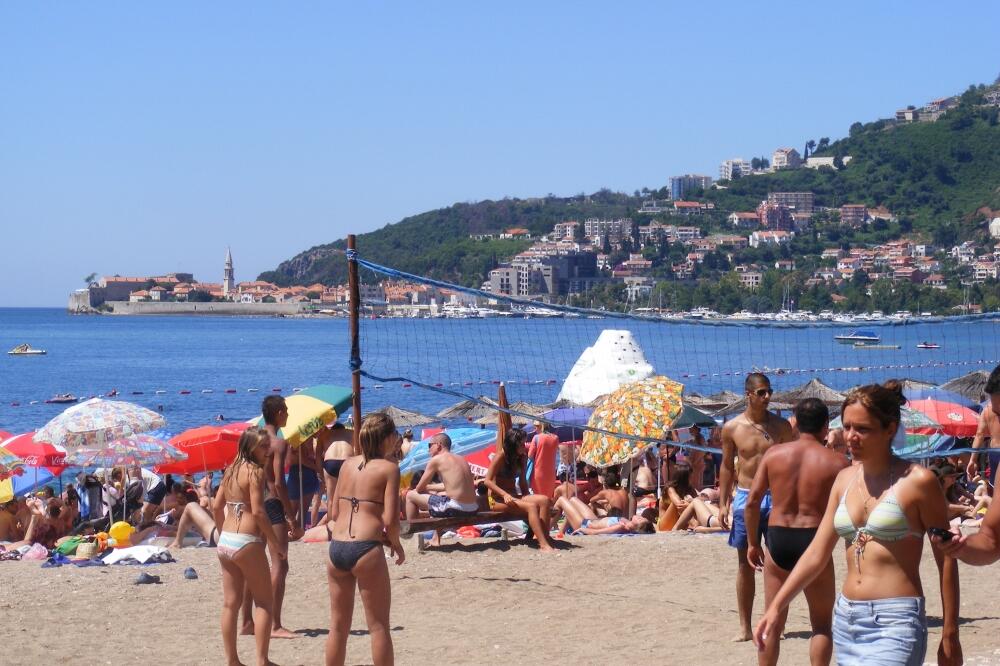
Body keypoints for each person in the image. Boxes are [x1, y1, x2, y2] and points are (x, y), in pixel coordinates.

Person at [754, 381, 961, 666]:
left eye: (862, 429)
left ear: (890, 429)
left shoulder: (919, 481)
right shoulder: (844, 479)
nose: (851, 436)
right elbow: (817, 553)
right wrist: (776, 606)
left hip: (896, 621)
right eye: (847, 426)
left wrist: (950, 631)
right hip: (847, 619)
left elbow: (946, 559)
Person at [743, 398, 850, 666]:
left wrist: (753, 543)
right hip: (814, 540)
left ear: (796, 424)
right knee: (821, 625)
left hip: (779, 537)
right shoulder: (838, 462)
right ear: (826, 426)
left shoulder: (774, 454)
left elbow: (752, 502)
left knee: (773, 620)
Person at [719, 373, 795, 642]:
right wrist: (722, 503)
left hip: (776, 496)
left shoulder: (782, 426)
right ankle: (745, 627)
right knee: (745, 563)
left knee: (778, 563)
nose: (767, 397)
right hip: (745, 496)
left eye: (769, 391)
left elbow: (792, 464)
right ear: (748, 394)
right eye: (762, 392)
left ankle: (777, 624)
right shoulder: (732, 428)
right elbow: (726, 466)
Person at [326, 412, 405, 666]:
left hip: (337, 548)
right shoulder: (389, 468)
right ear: (388, 438)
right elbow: (390, 519)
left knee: (338, 626)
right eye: (395, 434)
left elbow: (334, 513)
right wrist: (395, 544)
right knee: (379, 627)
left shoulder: (347, 464)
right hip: (366, 548)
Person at [213, 426, 285, 666]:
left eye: (268, 446)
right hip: (246, 540)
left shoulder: (230, 469)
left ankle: (232, 660)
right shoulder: (255, 471)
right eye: (263, 447)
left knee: (230, 604)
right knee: (264, 602)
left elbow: (216, 506)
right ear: (250, 447)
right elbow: (259, 512)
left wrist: (222, 531)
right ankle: (262, 660)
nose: (268, 451)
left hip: (226, 540)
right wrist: (275, 543)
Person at [241, 395, 302, 640]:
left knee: (253, 565)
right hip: (272, 504)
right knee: (280, 563)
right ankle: (275, 624)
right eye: (285, 410)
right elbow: (278, 484)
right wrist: (292, 517)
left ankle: (247, 621)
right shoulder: (278, 443)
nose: (287, 414)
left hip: (251, 503)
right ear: (278, 413)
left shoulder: (253, 439)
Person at [484, 428, 556, 552]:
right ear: (513, 445)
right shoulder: (500, 456)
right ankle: (543, 544)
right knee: (531, 507)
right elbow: (487, 481)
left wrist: (527, 497)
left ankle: (546, 538)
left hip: (512, 496)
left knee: (544, 500)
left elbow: (522, 482)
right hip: (496, 499)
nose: (525, 446)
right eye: (522, 444)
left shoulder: (521, 457)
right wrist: (504, 494)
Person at [405, 433, 479, 545]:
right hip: (473, 508)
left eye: (430, 445)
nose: (428, 450)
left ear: (438, 445)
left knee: (410, 495)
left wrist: (425, 488)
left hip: (455, 509)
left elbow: (419, 488)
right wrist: (429, 487)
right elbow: (450, 486)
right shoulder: (461, 458)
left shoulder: (436, 460)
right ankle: (435, 539)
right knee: (441, 499)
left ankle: (413, 531)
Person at [966, 364, 1000, 489]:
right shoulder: (988, 410)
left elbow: (980, 435)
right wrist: (972, 460)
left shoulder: (987, 410)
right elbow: (979, 435)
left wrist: (973, 460)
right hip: (994, 455)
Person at [554, 495, 654, 535]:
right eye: (642, 517)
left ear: (637, 527)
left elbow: (599, 532)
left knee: (561, 500)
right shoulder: (627, 522)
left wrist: (584, 530)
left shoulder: (622, 526)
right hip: (593, 520)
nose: (640, 516)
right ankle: (560, 533)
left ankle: (547, 530)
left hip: (584, 524)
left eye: (640, 520)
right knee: (573, 500)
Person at [286, 427, 324, 530]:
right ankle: (296, 531)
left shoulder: (297, 436)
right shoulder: (301, 437)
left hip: (300, 472)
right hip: (301, 472)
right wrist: (318, 469)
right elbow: (302, 459)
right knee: (296, 511)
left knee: (297, 511)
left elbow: (299, 458)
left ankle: (296, 532)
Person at [528, 421, 560, 499]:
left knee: (538, 498)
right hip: (551, 473)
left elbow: (530, 455)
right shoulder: (556, 438)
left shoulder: (536, 437)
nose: (535, 429)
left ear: (540, 426)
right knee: (548, 498)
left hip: (538, 472)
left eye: (536, 426)